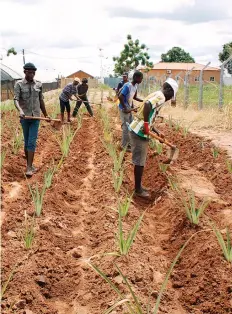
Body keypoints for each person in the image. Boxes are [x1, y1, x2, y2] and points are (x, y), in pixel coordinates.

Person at [128, 78, 179, 198]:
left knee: (141, 160)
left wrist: (157, 131)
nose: (170, 98)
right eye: (172, 95)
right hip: (139, 131)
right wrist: (146, 126)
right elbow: (147, 105)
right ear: (169, 91)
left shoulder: (157, 94)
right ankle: (138, 190)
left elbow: (150, 115)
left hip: (139, 129)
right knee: (140, 161)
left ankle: (139, 186)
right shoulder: (161, 96)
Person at [14, 63, 50, 177]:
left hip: (36, 117)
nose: (32, 74)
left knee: (31, 141)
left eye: (33, 72)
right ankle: (30, 165)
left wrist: (46, 115)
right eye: (30, 72)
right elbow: (15, 99)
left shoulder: (39, 84)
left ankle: (29, 167)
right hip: (25, 117)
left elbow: (41, 101)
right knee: (26, 141)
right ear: (25, 72)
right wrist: (20, 111)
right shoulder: (18, 84)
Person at [118, 71, 143, 152]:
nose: (141, 80)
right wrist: (125, 108)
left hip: (129, 108)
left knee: (131, 126)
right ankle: (124, 146)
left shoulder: (135, 86)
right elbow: (120, 96)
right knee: (125, 127)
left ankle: (128, 143)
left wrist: (143, 101)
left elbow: (134, 97)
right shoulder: (128, 86)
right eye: (141, 78)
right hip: (123, 108)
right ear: (136, 77)